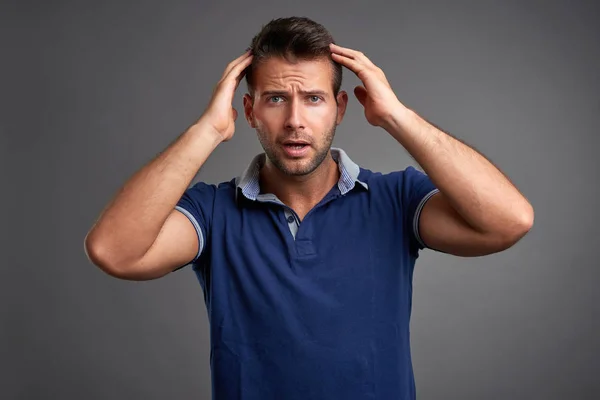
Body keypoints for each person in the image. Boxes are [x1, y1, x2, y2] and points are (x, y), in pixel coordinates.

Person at [84, 16, 534, 400]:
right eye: (276, 98)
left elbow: (509, 221)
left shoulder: (396, 200)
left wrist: (396, 115)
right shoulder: (213, 212)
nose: (295, 120)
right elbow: (114, 252)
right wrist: (208, 129)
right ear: (251, 110)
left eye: (313, 99)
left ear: (340, 108)